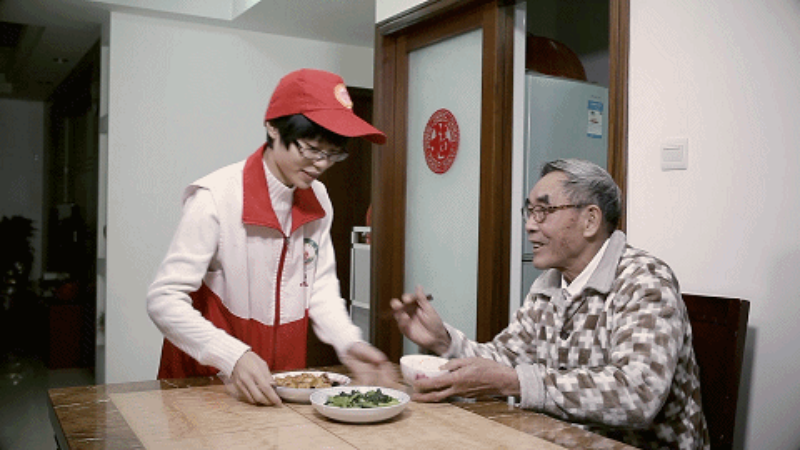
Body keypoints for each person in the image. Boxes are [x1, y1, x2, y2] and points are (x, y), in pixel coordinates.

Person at [391, 159, 710, 449]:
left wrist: (516, 382)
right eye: (529, 211)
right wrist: (443, 341)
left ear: (590, 220)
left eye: (543, 211)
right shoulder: (548, 285)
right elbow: (504, 360)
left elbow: (638, 393)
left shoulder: (644, 279)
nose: (530, 225)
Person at [148, 68, 395, 406]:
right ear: (273, 128)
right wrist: (232, 356)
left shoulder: (319, 198)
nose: (321, 164)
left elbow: (319, 286)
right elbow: (163, 299)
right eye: (311, 148)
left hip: (278, 380)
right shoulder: (215, 197)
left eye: (332, 153)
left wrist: (348, 342)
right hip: (204, 382)